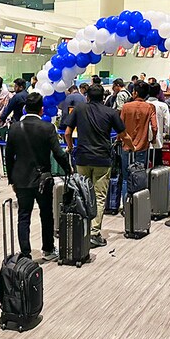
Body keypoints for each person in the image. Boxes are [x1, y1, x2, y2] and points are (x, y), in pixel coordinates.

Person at [6, 92, 71, 260]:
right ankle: (48, 249)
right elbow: (58, 153)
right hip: (43, 178)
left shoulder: (14, 128)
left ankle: (25, 253)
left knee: (23, 215)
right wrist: (68, 169)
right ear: (42, 109)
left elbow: (9, 156)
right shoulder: (47, 128)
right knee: (46, 213)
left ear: (25, 108)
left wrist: (12, 179)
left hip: (21, 178)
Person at [65, 83, 126, 248]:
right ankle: (94, 233)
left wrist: (70, 147)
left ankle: (82, 229)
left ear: (88, 97)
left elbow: (67, 132)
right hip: (102, 159)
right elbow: (122, 133)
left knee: (83, 194)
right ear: (104, 97)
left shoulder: (79, 109)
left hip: (82, 158)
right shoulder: (110, 112)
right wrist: (130, 145)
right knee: (99, 197)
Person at [119, 81, 158, 171]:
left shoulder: (126, 107)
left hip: (126, 144)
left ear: (136, 93)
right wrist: (153, 138)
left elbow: (120, 126)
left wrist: (118, 139)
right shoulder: (150, 107)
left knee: (126, 176)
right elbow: (154, 127)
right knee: (139, 175)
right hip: (142, 145)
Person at [146, 83, 170, 166]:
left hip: (143, 141)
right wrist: (167, 133)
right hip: (157, 140)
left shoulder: (144, 104)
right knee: (157, 166)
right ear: (159, 92)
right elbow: (167, 124)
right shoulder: (163, 106)